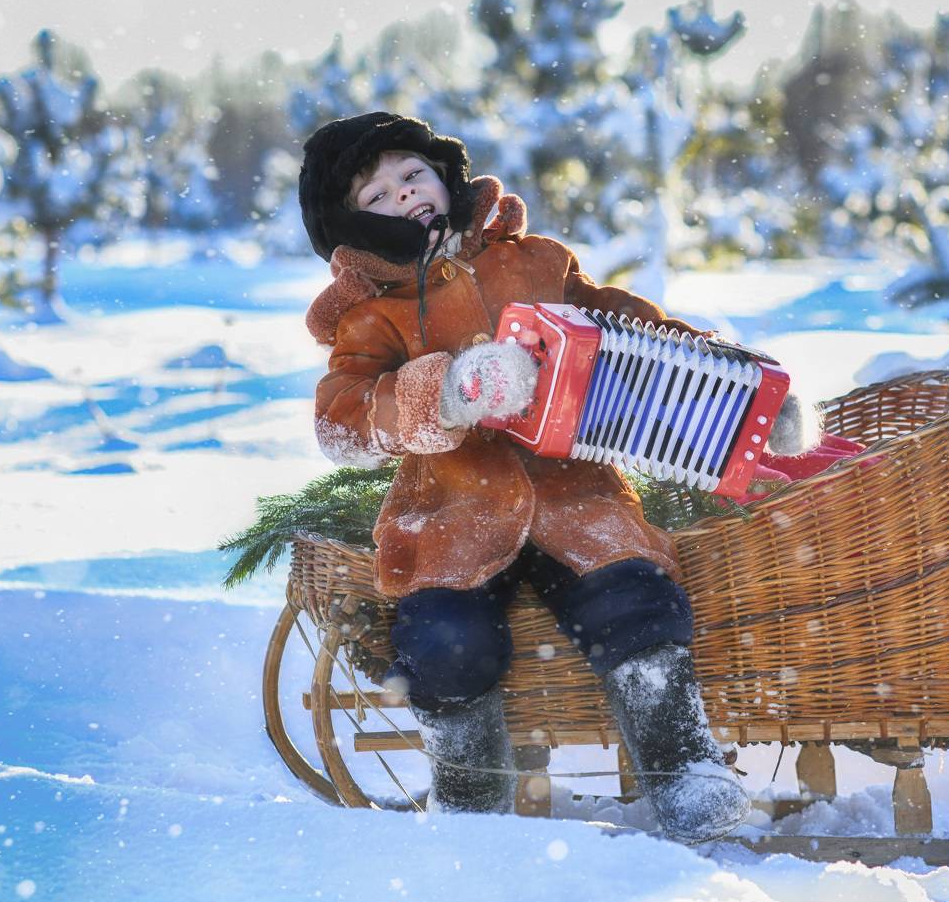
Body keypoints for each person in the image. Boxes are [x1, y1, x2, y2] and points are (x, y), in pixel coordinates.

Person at [297, 112, 818, 844]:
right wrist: (446, 392)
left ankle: (683, 766)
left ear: (444, 178)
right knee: (444, 639)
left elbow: (639, 333)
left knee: (638, 601)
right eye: (377, 194)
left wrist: (740, 401)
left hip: (578, 495)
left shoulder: (537, 262)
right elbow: (343, 421)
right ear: (350, 224)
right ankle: (471, 788)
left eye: (412, 174)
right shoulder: (370, 317)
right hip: (453, 512)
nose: (405, 195)